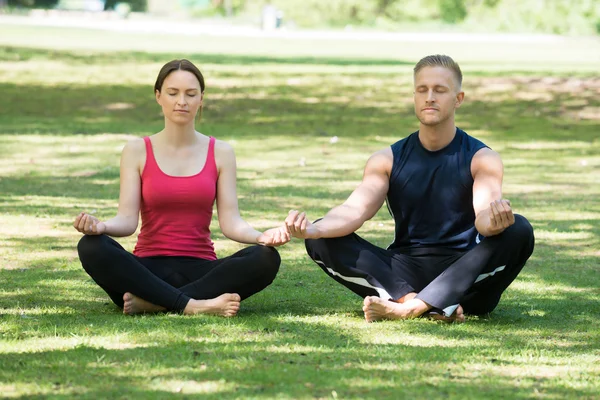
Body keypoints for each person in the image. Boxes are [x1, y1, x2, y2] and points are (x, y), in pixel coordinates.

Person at [285, 54, 534, 323]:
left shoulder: (482, 158)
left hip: (464, 273)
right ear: (414, 96)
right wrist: (314, 230)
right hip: (404, 271)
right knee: (322, 238)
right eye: (422, 90)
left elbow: (484, 217)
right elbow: (354, 209)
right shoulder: (386, 159)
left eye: (440, 90)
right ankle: (426, 303)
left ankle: (411, 309)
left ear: (458, 99)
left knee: (519, 229)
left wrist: (496, 221)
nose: (430, 97)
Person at [74, 59, 289, 317]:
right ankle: (195, 305)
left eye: (190, 94)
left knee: (266, 258)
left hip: (202, 269)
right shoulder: (136, 151)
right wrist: (102, 227)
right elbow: (127, 221)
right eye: (172, 93)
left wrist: (261, 237)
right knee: (91, 246)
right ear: (158, 96)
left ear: (201, 99)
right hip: (146, 270)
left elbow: (231, 222)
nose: (181, 101)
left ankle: (154, 303)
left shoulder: (221, 152)